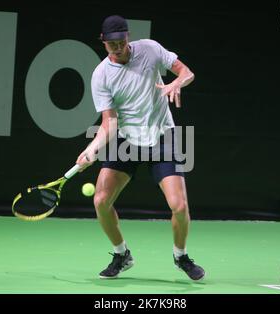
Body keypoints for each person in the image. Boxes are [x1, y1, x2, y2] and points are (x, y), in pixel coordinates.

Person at [76, 15, 205, 281]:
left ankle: (180, 256)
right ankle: (121, 253)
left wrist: (176, 83)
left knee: (179, 206)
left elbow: (186, 72)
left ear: (128, 37)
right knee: (100, 200)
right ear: (103, 43)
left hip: (161, 135)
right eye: (112, 44)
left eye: (121, 41)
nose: (118, 48)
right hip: (125, 140)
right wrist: (92, 149)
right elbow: (109, 122)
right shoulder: (101, 75)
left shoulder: (150, 49)